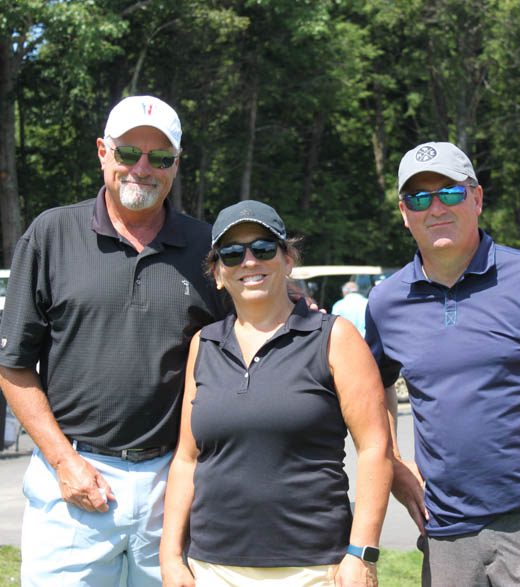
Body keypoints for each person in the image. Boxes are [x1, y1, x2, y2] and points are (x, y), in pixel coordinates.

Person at [0, 95, 228, 585]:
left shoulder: (208, 248)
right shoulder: (51, 234)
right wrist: (64, 461)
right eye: (128, 153)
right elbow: (12, 365)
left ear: (176, 165)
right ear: (103, 152)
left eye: (159, 157)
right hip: (71, 482)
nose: (142, 169)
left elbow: (248, 339)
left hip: (171, 485)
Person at [365, 141, 520, 587]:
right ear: (404, 213)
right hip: (445, 530)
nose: (435, 207)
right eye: (419, 198)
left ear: (476, 198)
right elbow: (374, 386)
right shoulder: (386, 302)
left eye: (450, 193)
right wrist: (394, 459)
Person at [160, 200, 392, 587]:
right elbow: (187, 459)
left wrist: (361, 552)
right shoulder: (204, 344)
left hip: (313, 569)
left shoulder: (334, 338)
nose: (249, 261)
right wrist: (170, 555)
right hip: (213, 568)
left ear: (287, 260)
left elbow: (374, 449)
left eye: (263, 248)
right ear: (217, 274)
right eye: (232, 254)